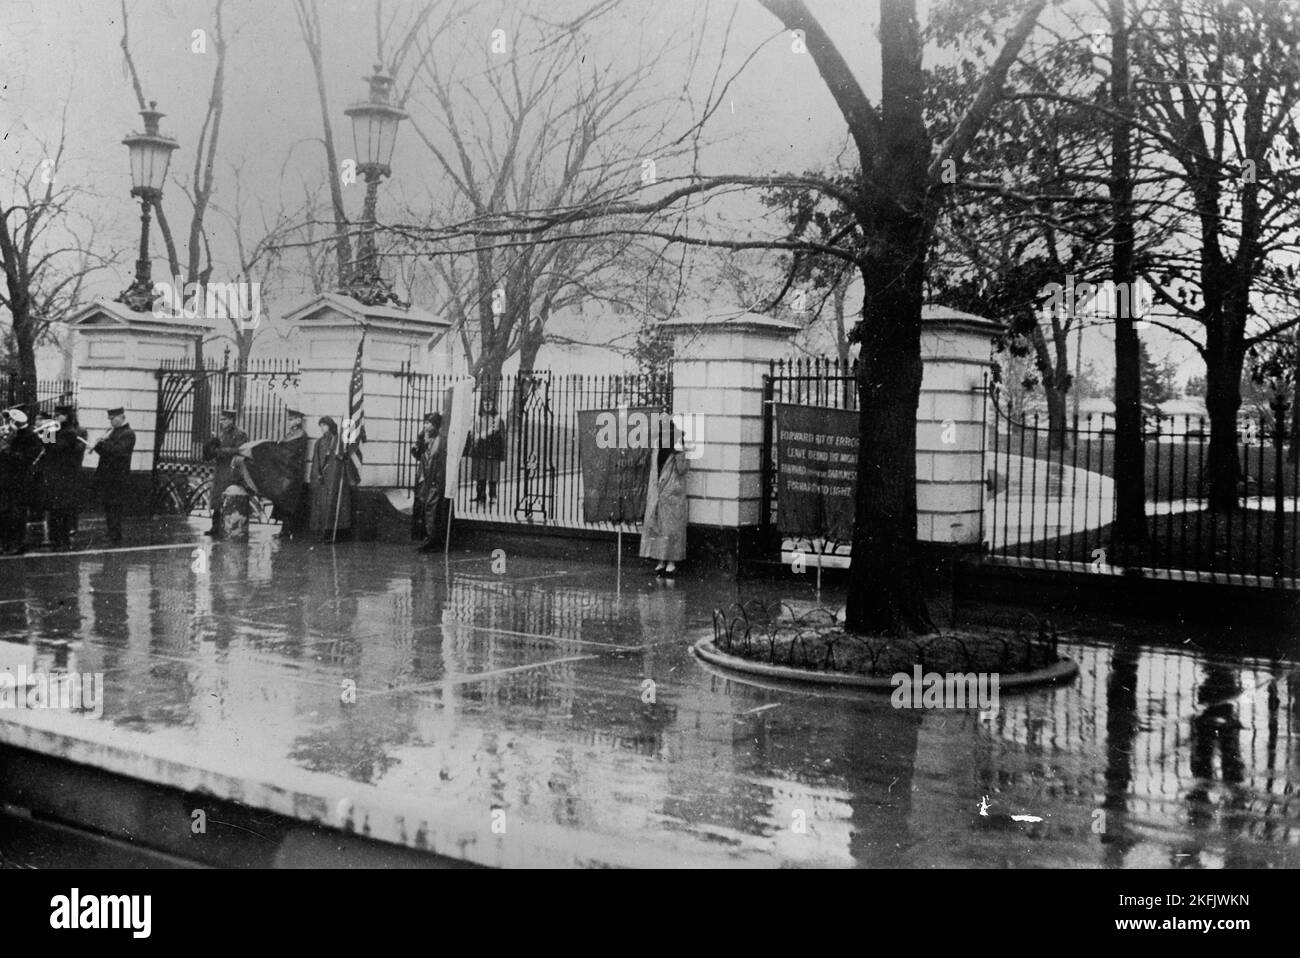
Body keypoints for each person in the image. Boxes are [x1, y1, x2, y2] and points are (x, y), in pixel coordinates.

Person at [237, 408, 310, 540]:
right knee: (284, 503)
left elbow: (286, 452)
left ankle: (287, 531)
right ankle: (284, 530)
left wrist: (267, 448)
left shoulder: (300, 435)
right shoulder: (293, 434)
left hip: (291, 475)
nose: (289, 422)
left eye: (291, 419)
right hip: (287, 474)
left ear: (299, 420)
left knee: (288, 504)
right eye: (288, 420)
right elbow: (282, 449)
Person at [640, 423, 689, 577]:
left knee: (671, 530)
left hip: (672, 494)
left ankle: (671, 562)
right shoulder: (657, 447)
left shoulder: (678, 448)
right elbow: (653, 470)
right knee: (658, 528)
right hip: (658, 494)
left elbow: (683, 470)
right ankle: (660, 560)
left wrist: (680, 451)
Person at [42, 405, 87, 551]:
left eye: (59, 415)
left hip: (64, 476)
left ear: (66, 416)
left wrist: (47, 432)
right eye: (55, 414)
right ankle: (55, 537)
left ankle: (62, 539)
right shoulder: (59, 430)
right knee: (55, 508)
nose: (56, 417)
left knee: (62, 508)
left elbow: (55, 449)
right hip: (56, 474)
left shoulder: (69, 432)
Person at [309, 416, 359, 543]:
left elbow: (344, 457)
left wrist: (341, 456)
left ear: (330, 426)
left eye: (324, 425)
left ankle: (332, 533)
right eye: (321, 425)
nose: (322, 428)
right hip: (323, 478)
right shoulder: (319, 442)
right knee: (321, 507)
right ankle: (322, 531)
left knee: (332, 505)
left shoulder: (337, 441)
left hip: (335, 478)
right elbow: (316, 460)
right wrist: (316, 475)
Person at [0, 408, 42, 555]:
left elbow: (26, 458)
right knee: (4, 512)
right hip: (5, 479)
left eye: (9, 420)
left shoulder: (31, 436)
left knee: (17, 513)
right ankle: (5, 543)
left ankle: (18, 543)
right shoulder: (10, 435)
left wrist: (7, 449)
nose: (6, 424)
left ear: (15, 421)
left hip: (20, 480)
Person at [92, 407, 135, 545]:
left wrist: (103, 442)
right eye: (110, 419)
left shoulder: (128, 433)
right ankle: (111, 532)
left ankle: (115, 535)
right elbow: (105, 452)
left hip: (117, 476)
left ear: (122, 417)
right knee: (108, 505)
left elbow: (118, 451)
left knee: (114, 506)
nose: (111, 422)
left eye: (113, 419)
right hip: (107, 475)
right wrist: (99, 445)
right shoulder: (111, 432)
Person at [204, 409, 248, 539]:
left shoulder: (240, 434)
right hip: (220, 469)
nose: (221, 422)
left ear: (231, 420)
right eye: (221, 419)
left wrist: (220, 451)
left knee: (228, 498)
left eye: (224, 419)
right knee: (217, 499)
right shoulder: (221, 434)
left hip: (231, 470)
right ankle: (215, 527)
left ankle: (227, 526)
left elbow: (239, 450)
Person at [412, 412, 448, 553]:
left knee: (431, 510)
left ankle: (431, 540)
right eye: (425, 423)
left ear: (435, 425)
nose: (425, 426)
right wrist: (419, 441)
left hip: (432, 480)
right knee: (424, 508)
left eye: (428, 423)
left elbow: (434, 462)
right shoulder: (426, 439)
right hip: (424, 479)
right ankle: (426, 538)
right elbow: (418, 455)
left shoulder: (439, 441)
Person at [466, 397, 505, 506]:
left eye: (490, 403)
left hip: (492, 450)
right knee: (480, 475)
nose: (487, 405)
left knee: (492, 475)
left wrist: (481, 435)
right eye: (485, 403)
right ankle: (480, 496)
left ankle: (493, 496)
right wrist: (475, 435)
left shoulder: (497, 418)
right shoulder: (478, 418)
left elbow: (495, 429)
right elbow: (473, 430)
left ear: (493, 404)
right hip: (480, 450)